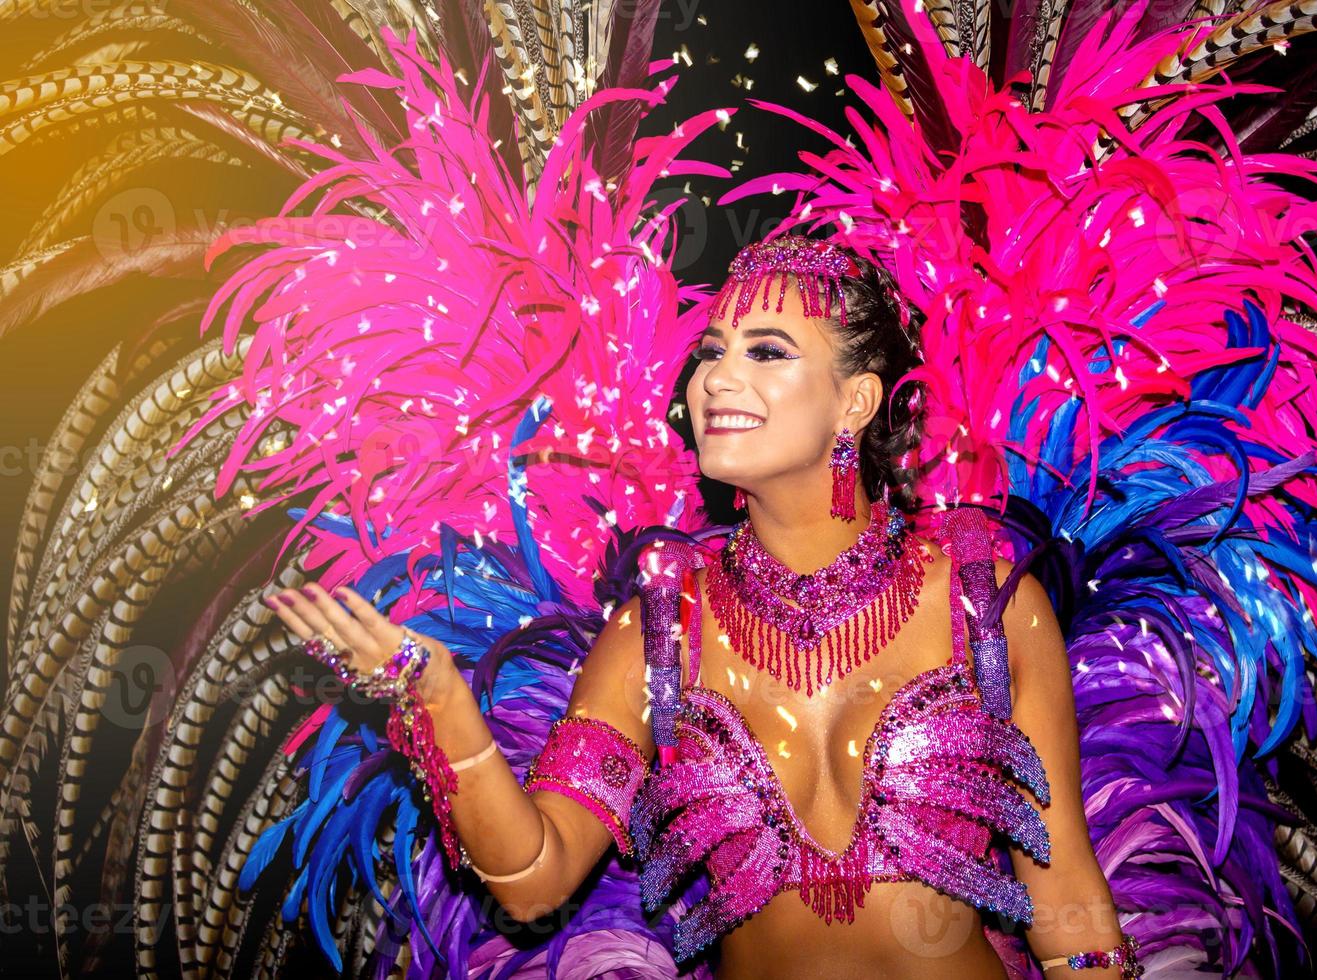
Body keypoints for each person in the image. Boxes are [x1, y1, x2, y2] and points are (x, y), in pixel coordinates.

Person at [262, 237, 1142, 979]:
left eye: (765, 351)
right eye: (712, 350)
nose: (717, 378)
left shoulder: (986, 602)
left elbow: (1064, 901)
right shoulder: (660, 626)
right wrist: (444, 707)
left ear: (857, 402)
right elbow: (533, 876)